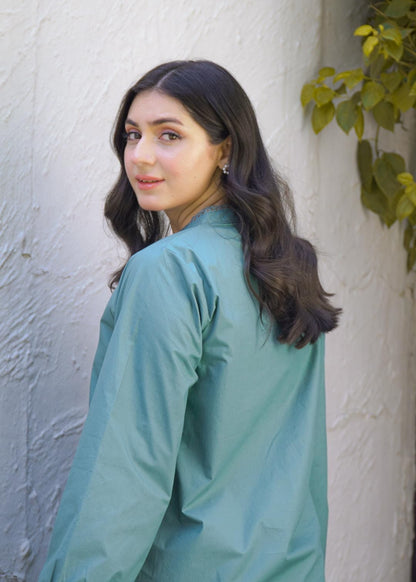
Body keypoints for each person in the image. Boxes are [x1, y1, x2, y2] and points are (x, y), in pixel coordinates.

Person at [38, 60, 340, 582]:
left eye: (169, 135)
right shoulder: (284, 268)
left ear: (225, 149)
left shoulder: (169, 270)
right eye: (132, 134)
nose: (140, 155)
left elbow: (125, 468)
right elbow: (300, 460)